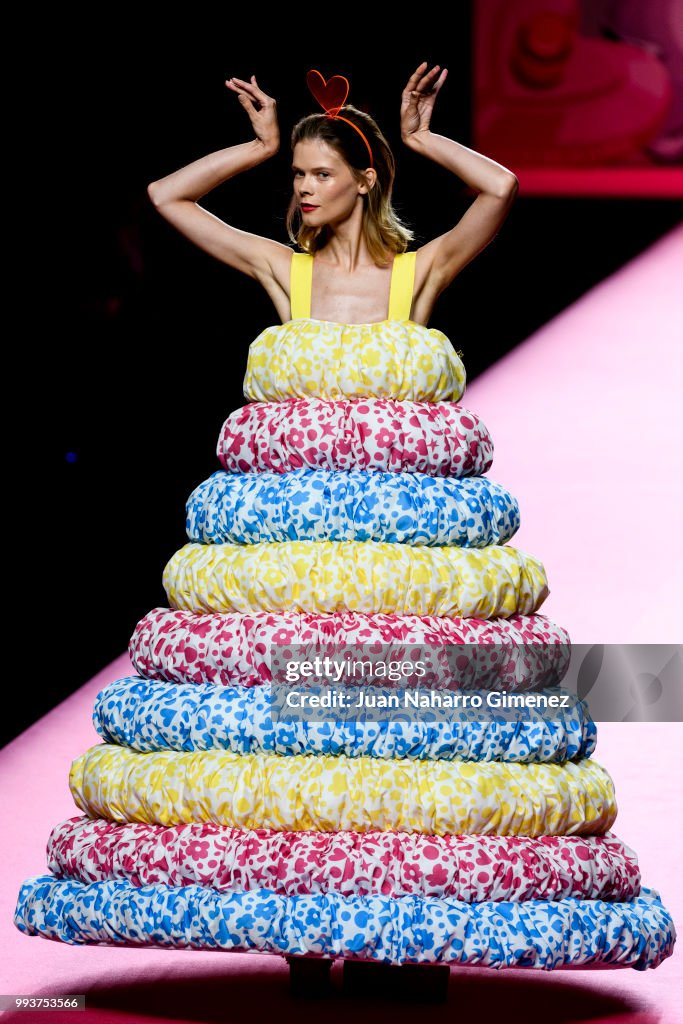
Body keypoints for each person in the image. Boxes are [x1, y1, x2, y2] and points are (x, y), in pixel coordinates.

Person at [147, 62, 518, 329]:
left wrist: (421, 138)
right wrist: (260, 148)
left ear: (364, 181)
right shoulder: (284, 270)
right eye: (299, 173)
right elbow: (166, 195)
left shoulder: (420, 270)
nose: (304, 187)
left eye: (322, 174)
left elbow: (500, 188)